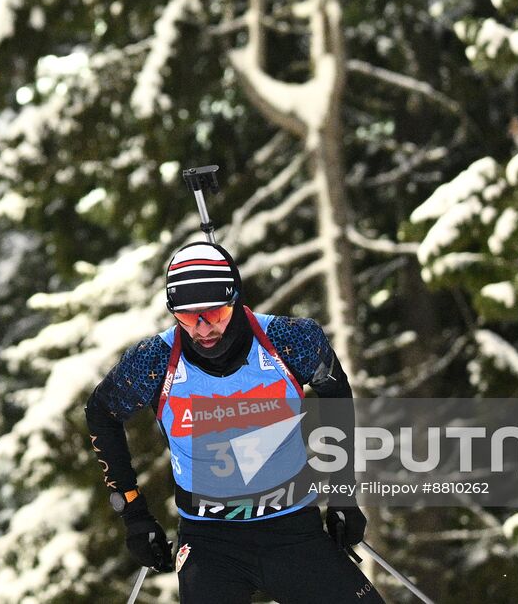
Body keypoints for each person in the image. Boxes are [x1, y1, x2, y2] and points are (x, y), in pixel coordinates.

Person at [84, 240, 383, 603]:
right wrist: (134, 514)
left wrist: (342, 495)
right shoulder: (155, 361)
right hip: (210, 542)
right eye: (188, 317)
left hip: (292, 528)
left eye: (217, 314)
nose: (204, 329)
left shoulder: (290, 341)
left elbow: (335, 394)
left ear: (236, 299)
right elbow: (101, 413)